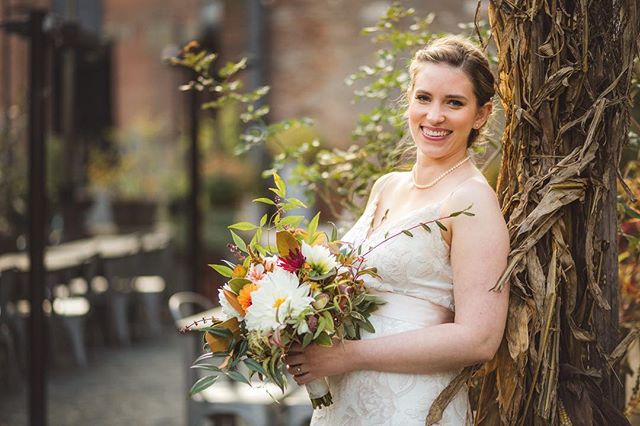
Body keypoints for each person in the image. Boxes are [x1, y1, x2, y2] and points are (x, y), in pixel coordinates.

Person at [283, 35, 510, 425]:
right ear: (409, 100)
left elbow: (479, 339)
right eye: (424, 98)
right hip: (347, 401)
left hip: (413, 405)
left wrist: (347, 355)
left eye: (453, 103)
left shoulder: (470, 200)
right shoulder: (387, 186)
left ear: (481, 114)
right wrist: (288, 310)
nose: (434, 116)